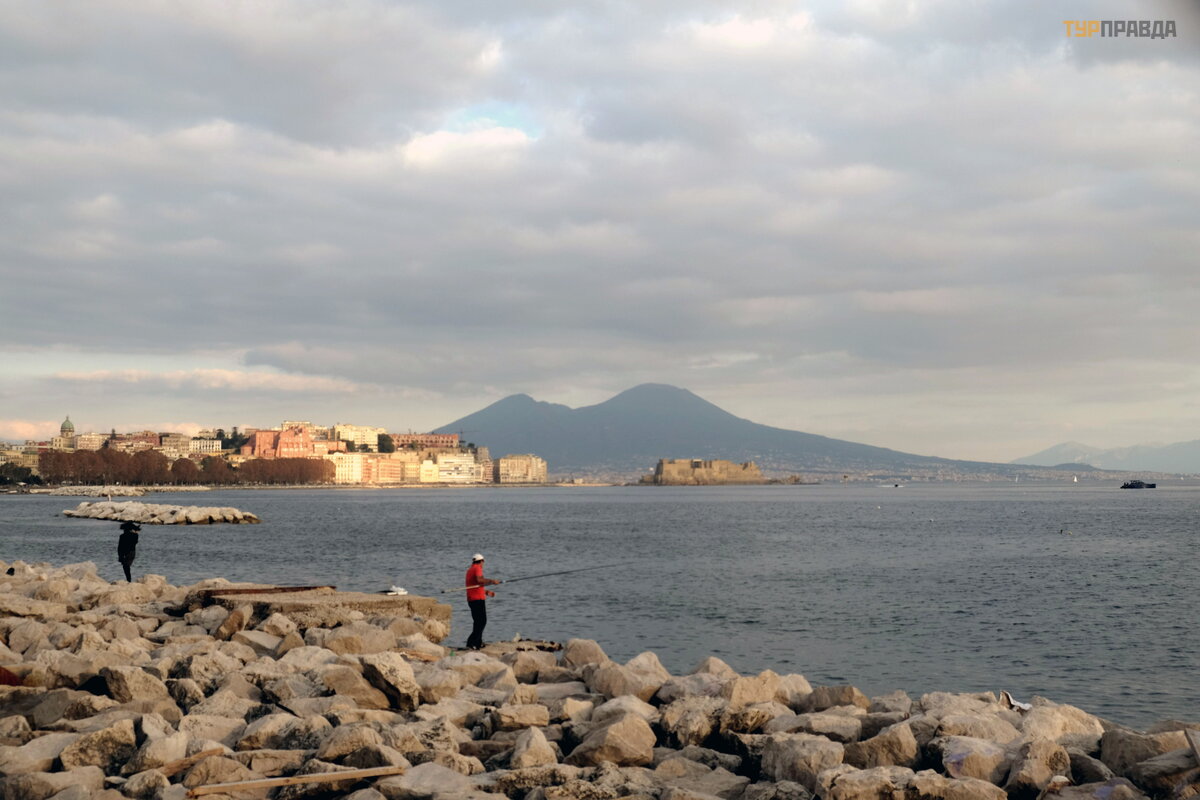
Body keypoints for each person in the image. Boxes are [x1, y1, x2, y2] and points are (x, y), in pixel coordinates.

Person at [464, 553, 500, 650]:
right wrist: (492, 581)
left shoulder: (470, 570)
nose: (483, 564)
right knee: (482, 621)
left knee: (478, 622)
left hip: (472, 598)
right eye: (483, 562)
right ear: (481, 561)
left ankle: (478, 642)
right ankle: (471, 642)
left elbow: (475, 585)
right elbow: (479, 580)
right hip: (477, 599)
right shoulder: (477, 568)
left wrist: (486, 592)